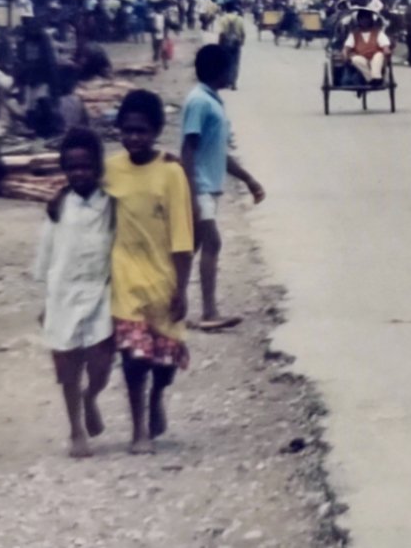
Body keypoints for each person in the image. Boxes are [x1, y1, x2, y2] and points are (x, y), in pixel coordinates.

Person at [104, 90, 194, 455]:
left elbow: (183, 236)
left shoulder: (171, 173)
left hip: (163, 278)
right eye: (127, 130)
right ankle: (138, 430)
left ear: (156, 131)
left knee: (164, 362)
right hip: (125, 277)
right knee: (134, 358)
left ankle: (158, 396)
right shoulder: (111, 169)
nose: (134, 137)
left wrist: (183, 289)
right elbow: (83, 191)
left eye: (141, 130)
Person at [33, 128, 116, 458]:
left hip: (101, 291)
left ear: (97, 166)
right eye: (72, 167)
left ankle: (91, 395)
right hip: (63, 294)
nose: (79, 173)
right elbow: (47, 255)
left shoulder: (110, 203)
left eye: (86, 166)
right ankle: (76, 430)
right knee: (68, 366)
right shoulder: (58, 208)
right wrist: (45, 304)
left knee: (101, 362)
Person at [180, 46, 266, 333]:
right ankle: (209, 311)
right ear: (219, 70)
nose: (233, 72)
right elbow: (188, 149)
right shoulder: (199, 102)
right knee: (212, 243)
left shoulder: (211, 101)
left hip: (208, 188)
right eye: (229, 67)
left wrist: (248, 180)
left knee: (189, 249)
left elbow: (218, 152)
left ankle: (174, 306)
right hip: (200, 187)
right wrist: (190, 193)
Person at [343, 8, 392, 86]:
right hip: (361, 59)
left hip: (375, 58)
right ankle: (370, 80)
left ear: (370, 20)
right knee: (355, 59)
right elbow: (346, 48)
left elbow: (385, 46)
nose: (364, 21)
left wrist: (387, 51)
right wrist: (345, 55)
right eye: (362, 18)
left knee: (379, 55)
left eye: (366, 18)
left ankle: (377, 77)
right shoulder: (354, 34)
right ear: (358, 20)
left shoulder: (378, 33)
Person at [216, 1, 246, 90]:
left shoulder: (222, 19)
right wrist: (242, 42)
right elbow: (243, 33)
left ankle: (226, 82)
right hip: (236, 43)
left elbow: (221, 33)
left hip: (225, 43)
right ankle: (233, 83)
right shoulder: (239, 19)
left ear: (225, 9)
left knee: (225, 63)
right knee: (235, 63)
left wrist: (219, 44)